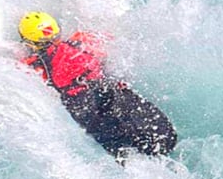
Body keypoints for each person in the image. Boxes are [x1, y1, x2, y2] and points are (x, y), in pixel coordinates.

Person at [18, 11, 177, 161]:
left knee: (123, 148)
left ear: (32, 43)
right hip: (108, 88)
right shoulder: (82, 40)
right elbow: (112, 41)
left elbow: (16, 75)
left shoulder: (36, 65)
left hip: (84, 105)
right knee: (161, 137)